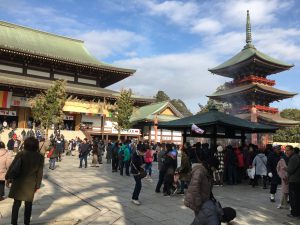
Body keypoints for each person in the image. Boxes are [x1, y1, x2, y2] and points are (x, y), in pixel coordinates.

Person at [5, 137, 44, 225]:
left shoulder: (21, 154)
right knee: (28, 205)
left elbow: (12, 166)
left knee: (16, 204)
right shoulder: (40, 157)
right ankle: (27, 222)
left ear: (25, 144)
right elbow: (40, 173)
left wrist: (7, 178)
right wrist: (37, 185)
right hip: (31, 184)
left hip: (18, 182)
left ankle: (13, 222)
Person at [184, 149, 213, 216]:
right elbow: (194, 188)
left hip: (202, 200)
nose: (214, 169)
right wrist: (198, 202)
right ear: (209, 165)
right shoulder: (199, 172)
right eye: (213, 167)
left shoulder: (205, 172)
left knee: (201, 218)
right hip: (197, 201)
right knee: (199, 218)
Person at [286, 145, 300, 218]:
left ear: (292, 150)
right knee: (297, 197)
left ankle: (294, 213)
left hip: (294, 181)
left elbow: (290, 170)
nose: (286, 152)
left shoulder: (293, 158)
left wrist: (285, 168)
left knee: (293, 198)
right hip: (297, 180)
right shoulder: (296, 157)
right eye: (286, 150)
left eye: (288, 150)